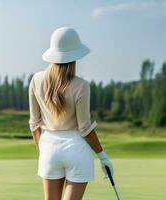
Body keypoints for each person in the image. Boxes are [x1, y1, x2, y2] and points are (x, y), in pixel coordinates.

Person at [28, 27, 114, 200]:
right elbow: (85, 128)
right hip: (77, 150)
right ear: (75, 56)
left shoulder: (36, 80)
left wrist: (44, 150)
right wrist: (103, 157)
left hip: (49, 148)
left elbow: (34, 124)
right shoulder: (81, 86)